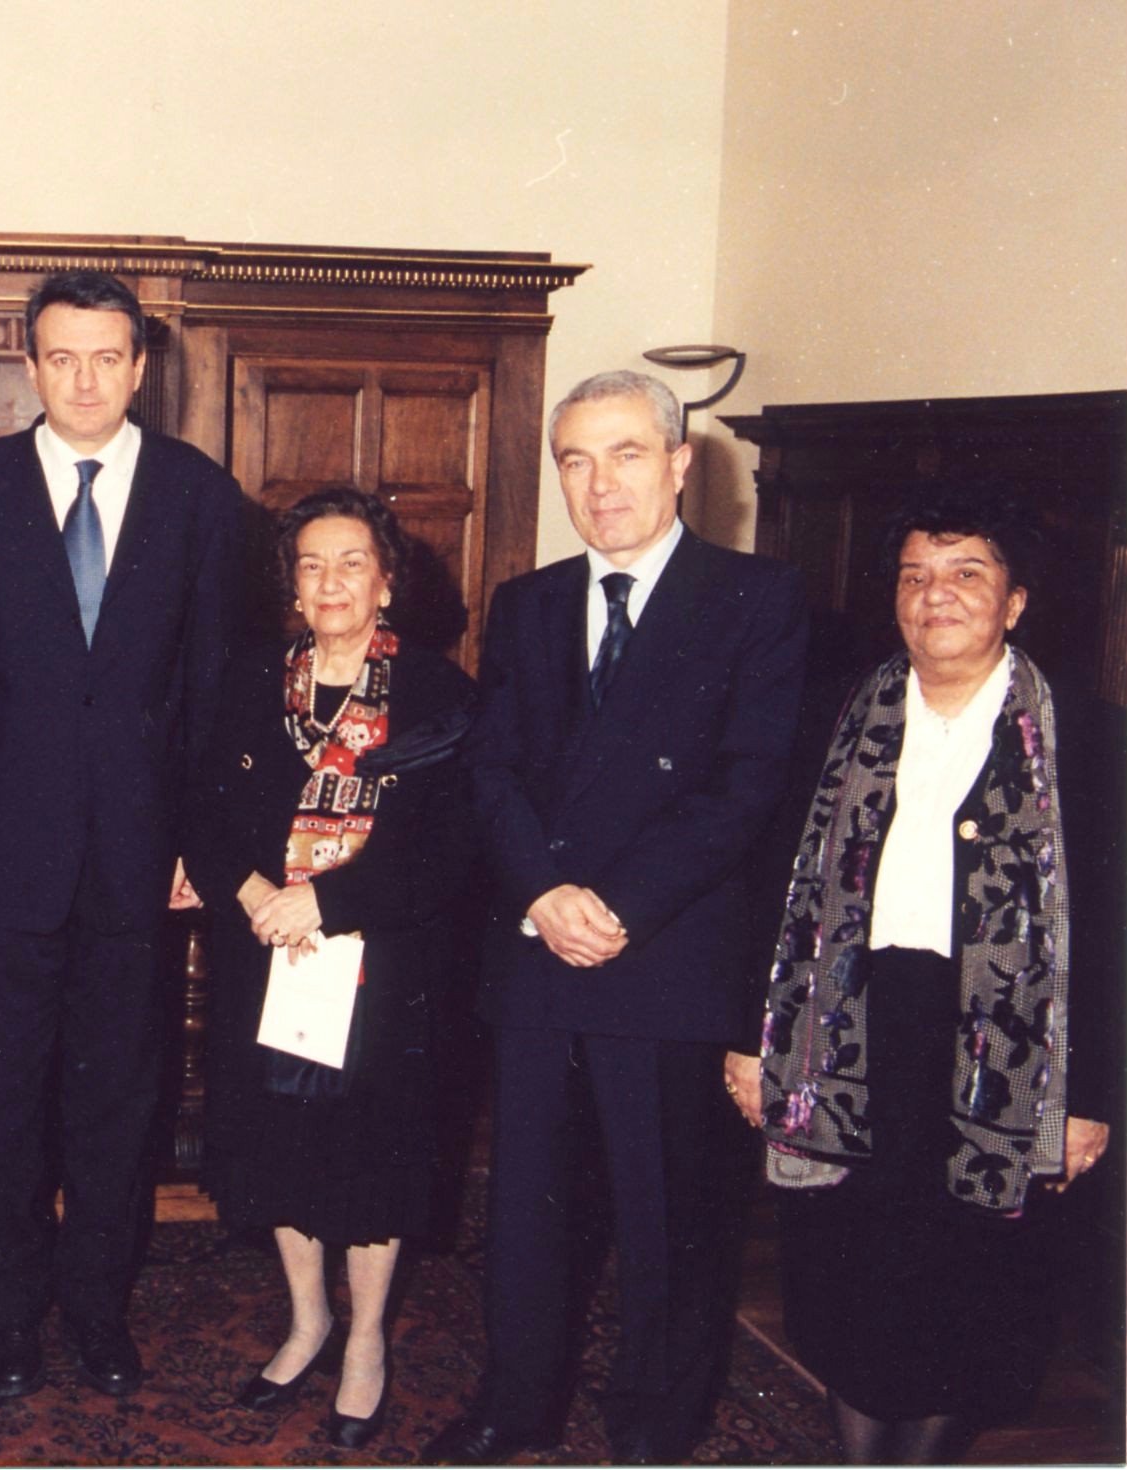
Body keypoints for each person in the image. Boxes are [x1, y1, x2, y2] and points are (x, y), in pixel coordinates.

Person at [425, 371, 809, 1466]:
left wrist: (619, 904)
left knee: (666, 1220)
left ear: (680, 463)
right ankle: (516, 1403)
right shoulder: (528, 604)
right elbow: (492, 770)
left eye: (627, 454)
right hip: (541, 952)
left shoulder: (756, 597)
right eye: (577, 460)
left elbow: (746, 785)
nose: (601, 484)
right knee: (528, 1213)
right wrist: (542, 894)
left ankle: (654, 1425)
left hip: (668, 959)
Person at [724, 488, 1117, 1464]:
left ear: (1015, 601)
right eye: (914, 576)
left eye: (965, 573)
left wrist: (1092, 1099)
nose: (934, 595)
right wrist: (748, 1041)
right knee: (845, 1268)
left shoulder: (1091, 742)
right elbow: (767, 885)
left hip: (1002, 1054)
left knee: (971, 1281)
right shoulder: (832, 717)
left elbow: (1115, 935)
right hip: (848, 1033)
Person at [0, 269, 245, 1399]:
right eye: (61, 358)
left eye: (108, 358)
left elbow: (212, 689)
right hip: (6, 860)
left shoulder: (200, 496)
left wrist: (197, 847)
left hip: (138, 860)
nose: (84, 381)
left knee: (118, 1098)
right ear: (28, 364)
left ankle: (99, 1310)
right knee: (6, 1100)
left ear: (141, 366)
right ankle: (10, 1312)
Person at [181, 488, 476, 1447]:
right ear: (292, 587)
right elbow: (200, 811)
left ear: (386, 583)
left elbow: (450, 850)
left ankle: (365, 1341)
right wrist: (251, 893)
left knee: (368, 1153)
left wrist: (329, 902)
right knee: (279, 1145)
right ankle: (307, 1320)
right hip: (265, 954)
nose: (330, 582)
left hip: (382, 964)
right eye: (311, 565)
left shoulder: (436, 694)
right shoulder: (248, 680)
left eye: (351, 563)